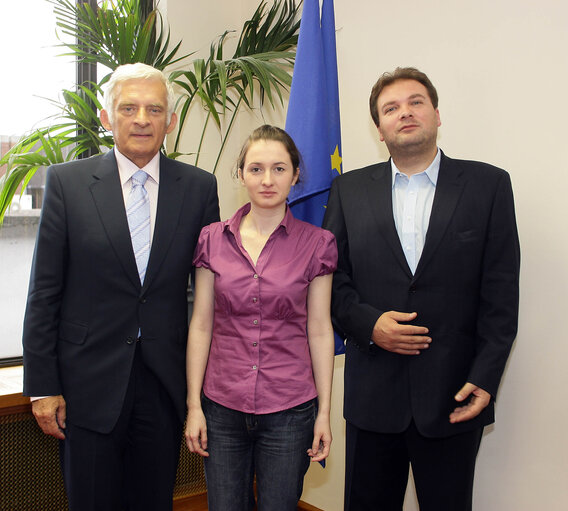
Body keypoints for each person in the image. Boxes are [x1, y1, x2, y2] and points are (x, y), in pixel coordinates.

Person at [22, 63, 220, 511]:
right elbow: (44, 291)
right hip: (86, 386)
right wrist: (42, 385)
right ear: (108, 118)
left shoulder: (199, 188)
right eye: (128, 108)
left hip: (164, 384)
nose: (142, 119)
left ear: (170, 122)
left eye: (155, 109)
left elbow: (205, 293)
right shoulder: (67, 184)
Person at [322, 67, 520, 511]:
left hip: (454, 395)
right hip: (373, 395)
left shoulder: (488, 186)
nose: (405, 113)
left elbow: (501, 294)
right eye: (391, 108)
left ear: (436, 114)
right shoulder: (348, 190)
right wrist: (369, 324)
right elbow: (331, 280)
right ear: (379, 128)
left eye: (416, 102)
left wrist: (486, 378)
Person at [184, 125, 336, 511]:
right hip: (221, 408)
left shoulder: (318, 244)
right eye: (256, 169)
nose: (267, 180)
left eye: (279, 169)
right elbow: (201, 324)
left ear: (296, 174)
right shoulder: (211, 239)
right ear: (241, 175)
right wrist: (194, 406)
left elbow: (319, 330)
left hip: (290, 409)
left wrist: (325, 414)